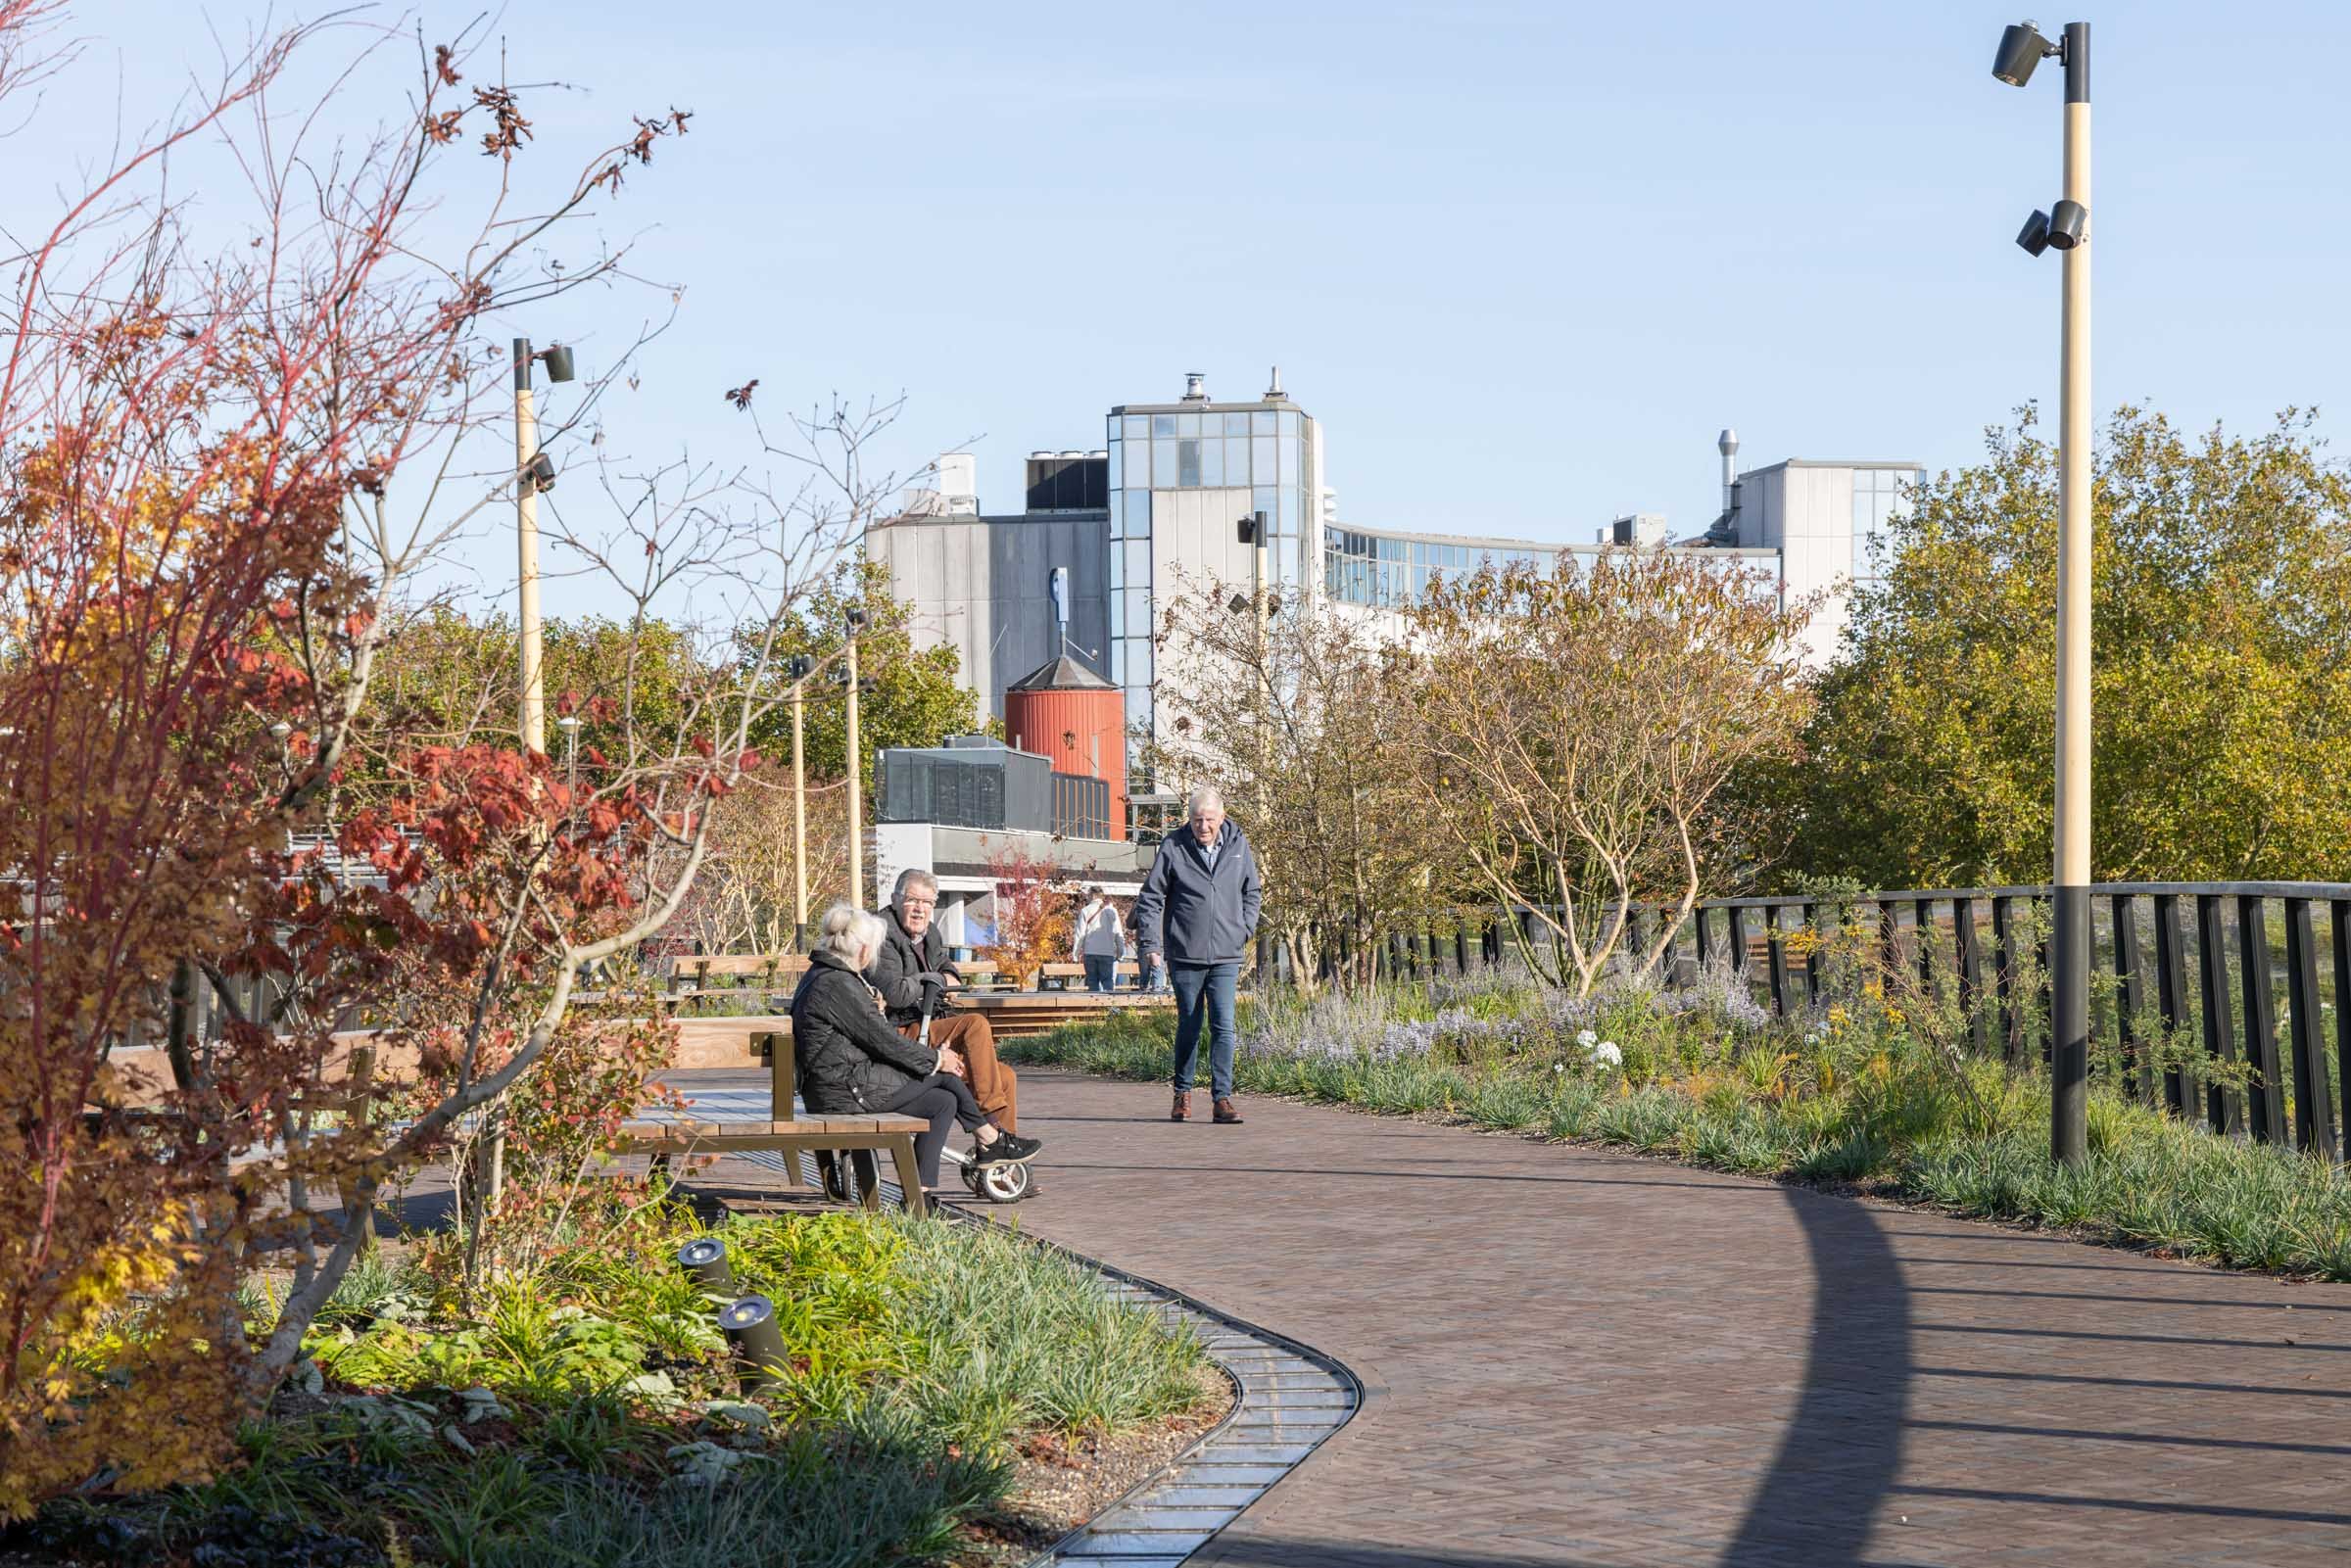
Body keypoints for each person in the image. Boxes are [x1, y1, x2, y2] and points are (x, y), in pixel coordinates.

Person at [790, 902, 1039, 1194]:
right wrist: (937, 1059)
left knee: (943, 1102)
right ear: (863, 950)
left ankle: (920, 1197)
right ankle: (991, 1141)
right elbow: (884, 1041)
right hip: (846, 1090)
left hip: (836, 1086)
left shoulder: (822, 976)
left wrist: (878, 1013)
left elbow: (866, 1035)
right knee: (945, 1076)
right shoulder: (837, 984)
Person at [1131, 785, 1261, 1125]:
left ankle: (1222, 1099)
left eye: (1209, 820)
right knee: (1190, 1023)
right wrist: (1152, 946)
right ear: (1188, 819)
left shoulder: (1237, 846)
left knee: (1224, 1025)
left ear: (1222, 818)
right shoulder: (1173, 846)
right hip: (1185, 953)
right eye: (1196, 820)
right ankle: (1182, 1092)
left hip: (1226, 953)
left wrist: (1244, 928)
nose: (1203, 827)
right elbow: (1151, 899)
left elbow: (1252, 890)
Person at [866, 869, 1021, 1131]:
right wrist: (933, 979)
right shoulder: (882, 934)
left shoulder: (931, 934)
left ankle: (999, 1157)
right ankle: (990, 1121)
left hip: (932, 1024)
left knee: (1005, 1076)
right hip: (898, 1031)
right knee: (974, 1024)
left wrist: (939, 978)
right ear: (895, 899)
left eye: (927, 903)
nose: (920, 909)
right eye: (912, 900)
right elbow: (897, 993)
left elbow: (951, 975)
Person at [1071, 885, 1125, 993]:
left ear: (1093, 895)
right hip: (1107, 952)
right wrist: (1120, 952)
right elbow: (1118, 933)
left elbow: (1080, 934)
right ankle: (1109, 1007)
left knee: (1092, 982)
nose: (1087, 898)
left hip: (1090, 952)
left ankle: (1094, 1007)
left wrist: (1075, 954)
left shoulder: (1085, 911)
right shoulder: (1112, 911)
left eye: (1088, 895)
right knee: (1108, 982)